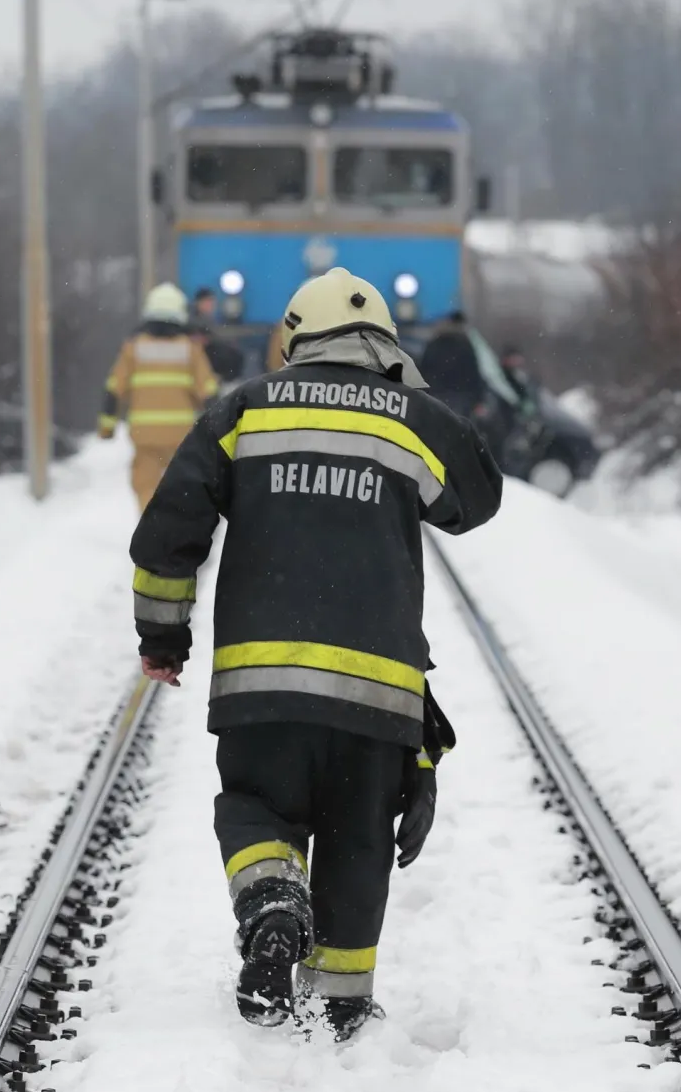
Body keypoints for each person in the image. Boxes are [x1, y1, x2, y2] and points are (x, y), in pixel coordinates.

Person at [129, 267, 502, 1041]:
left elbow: (170, 529)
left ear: (294, 340)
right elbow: (478, 499)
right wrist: (413, 402)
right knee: (358, 837)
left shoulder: (244, 410)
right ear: (385, 347)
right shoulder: (408, 418)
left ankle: (269, 900)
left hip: (261, 685)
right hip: (378, 692)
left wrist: (164, 636)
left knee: (254, 806)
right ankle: (341, 1003)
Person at [97, 282, 219, 512]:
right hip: (181, 438)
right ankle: (183, 538)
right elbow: (209, 393)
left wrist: (107, 428)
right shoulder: (190, 349)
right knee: (184, 489)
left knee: (146, 488)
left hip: (145, 437)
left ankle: (152, 538)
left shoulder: (133, 349)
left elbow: (113, 390)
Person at [189, 287, 244, 383]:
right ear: (199, 303)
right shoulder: (196, 321)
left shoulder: (207, 320)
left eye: (212, 302)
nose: (211, 305)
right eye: (208, 301)